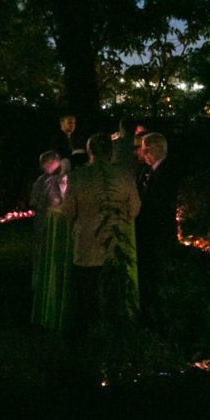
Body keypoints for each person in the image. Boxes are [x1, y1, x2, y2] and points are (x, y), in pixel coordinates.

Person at [61, 133, 141, 338]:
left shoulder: (78, 176)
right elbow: (134, 209)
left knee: (85, 292)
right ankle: (115, 333)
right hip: (115, 243)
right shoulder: (124, 176)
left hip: (86, 243)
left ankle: (83, 334)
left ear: (89, 151)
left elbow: (68, 210)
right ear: (111, 151)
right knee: (114, 292)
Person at [134, 132, 181, 326]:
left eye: (146, 148)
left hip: (159, 231)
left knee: (159, 273)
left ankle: (161, 316)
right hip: (146, 231)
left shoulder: (168, 171)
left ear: (158, 148)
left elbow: (161, 201)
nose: (143, 153)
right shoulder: (145, 170)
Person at [30, 151, 72, 331]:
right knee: (42, 250)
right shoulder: (43, 181)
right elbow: (36, 201)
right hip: (45, 221)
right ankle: (40, 282)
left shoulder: (60, 179)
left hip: (54, 220)